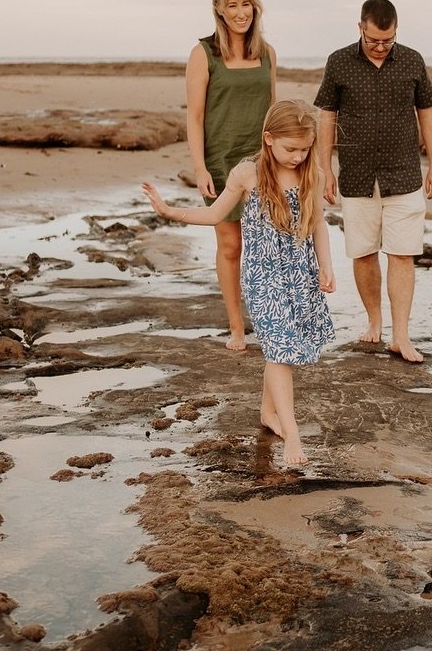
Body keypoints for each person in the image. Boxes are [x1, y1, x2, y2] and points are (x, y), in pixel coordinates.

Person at [143, 100, 334, 466]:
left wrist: (326, 266)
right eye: (290, 149)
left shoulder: (313, 174)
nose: (298, 156)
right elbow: (216, 213)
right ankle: (293, 436)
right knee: (280, 350)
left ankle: (268, 412)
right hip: (263, 276)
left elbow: (318, 224)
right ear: (268, 139)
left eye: (305, 149)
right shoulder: (248, 174)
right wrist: (169, 211)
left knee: (281, 350)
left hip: (300, 274)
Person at [314, 0, 432, 364]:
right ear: (360, 29)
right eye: (374, 41)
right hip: (356, 174)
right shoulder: (339, 62)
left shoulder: (412, 60)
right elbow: (326, 116)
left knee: (402, 254)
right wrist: (325, 169)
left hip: (403, 173)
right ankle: (374, 320)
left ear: (396, 31)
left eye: (388, 40)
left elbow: (427, 113)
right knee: (364, 253)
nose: (381, 47)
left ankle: (401, 335)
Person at [186, 0, 277, 351]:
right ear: (220, 11)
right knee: (230, 245)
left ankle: (273, 319)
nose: (241, 12)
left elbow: (274, 110)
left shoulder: (267, 52)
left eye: (245, 3)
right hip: (221, 160)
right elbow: (194, 116)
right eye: (232, 5)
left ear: (254, 6)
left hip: (263, 163)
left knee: (270, 244)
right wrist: (200, 168)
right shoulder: (203, 53)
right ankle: (237, 327)